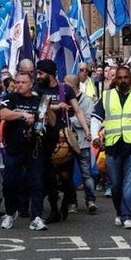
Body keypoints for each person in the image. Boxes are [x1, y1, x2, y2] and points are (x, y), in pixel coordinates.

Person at [89, 66, 131, 229]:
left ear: (130, 79)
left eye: (126, 77)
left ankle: (128, 216)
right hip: (112, 148)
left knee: (129, 186)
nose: (123, 80)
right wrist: (95, 137)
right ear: (115, 80)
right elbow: (95, 118)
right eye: (119, 78)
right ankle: (119, 212)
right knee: (116, 186)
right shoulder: (107, 96)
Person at [35, 59, 90, 222]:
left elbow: (78, 110)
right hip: (46, 138)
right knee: (49, 176)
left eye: (41, 73)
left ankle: (67, 201)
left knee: (66, 175)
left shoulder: (65, 89)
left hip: (64, 136)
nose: (38, 76)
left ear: (50, 74)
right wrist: (56, 106)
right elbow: (38, 107)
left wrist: (87, 130)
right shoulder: (38, 89)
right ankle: (53, 210)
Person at [0, 72, 55, 231]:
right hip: (14, 149)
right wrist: (22, 114)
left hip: (34, 148)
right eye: (18, 82)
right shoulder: (10, 97)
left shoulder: (38, 101)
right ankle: (10, 213)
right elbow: (3, 114)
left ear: (31, 84)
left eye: (23, 82)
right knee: (9, 183)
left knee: (37, 183)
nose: (20, 85)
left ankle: (36, 217)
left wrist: (48, 107)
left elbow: (52, 122)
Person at [64, 74, 97, 213]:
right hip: (67, 143)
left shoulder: (87, 101)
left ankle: (90, 200)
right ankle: (72, 202)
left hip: (82, 142)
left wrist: (73, 119)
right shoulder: (63, 99)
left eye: (65, 84)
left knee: (86, 173)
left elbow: (89, 120)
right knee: (68, 174)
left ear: (72, 86)